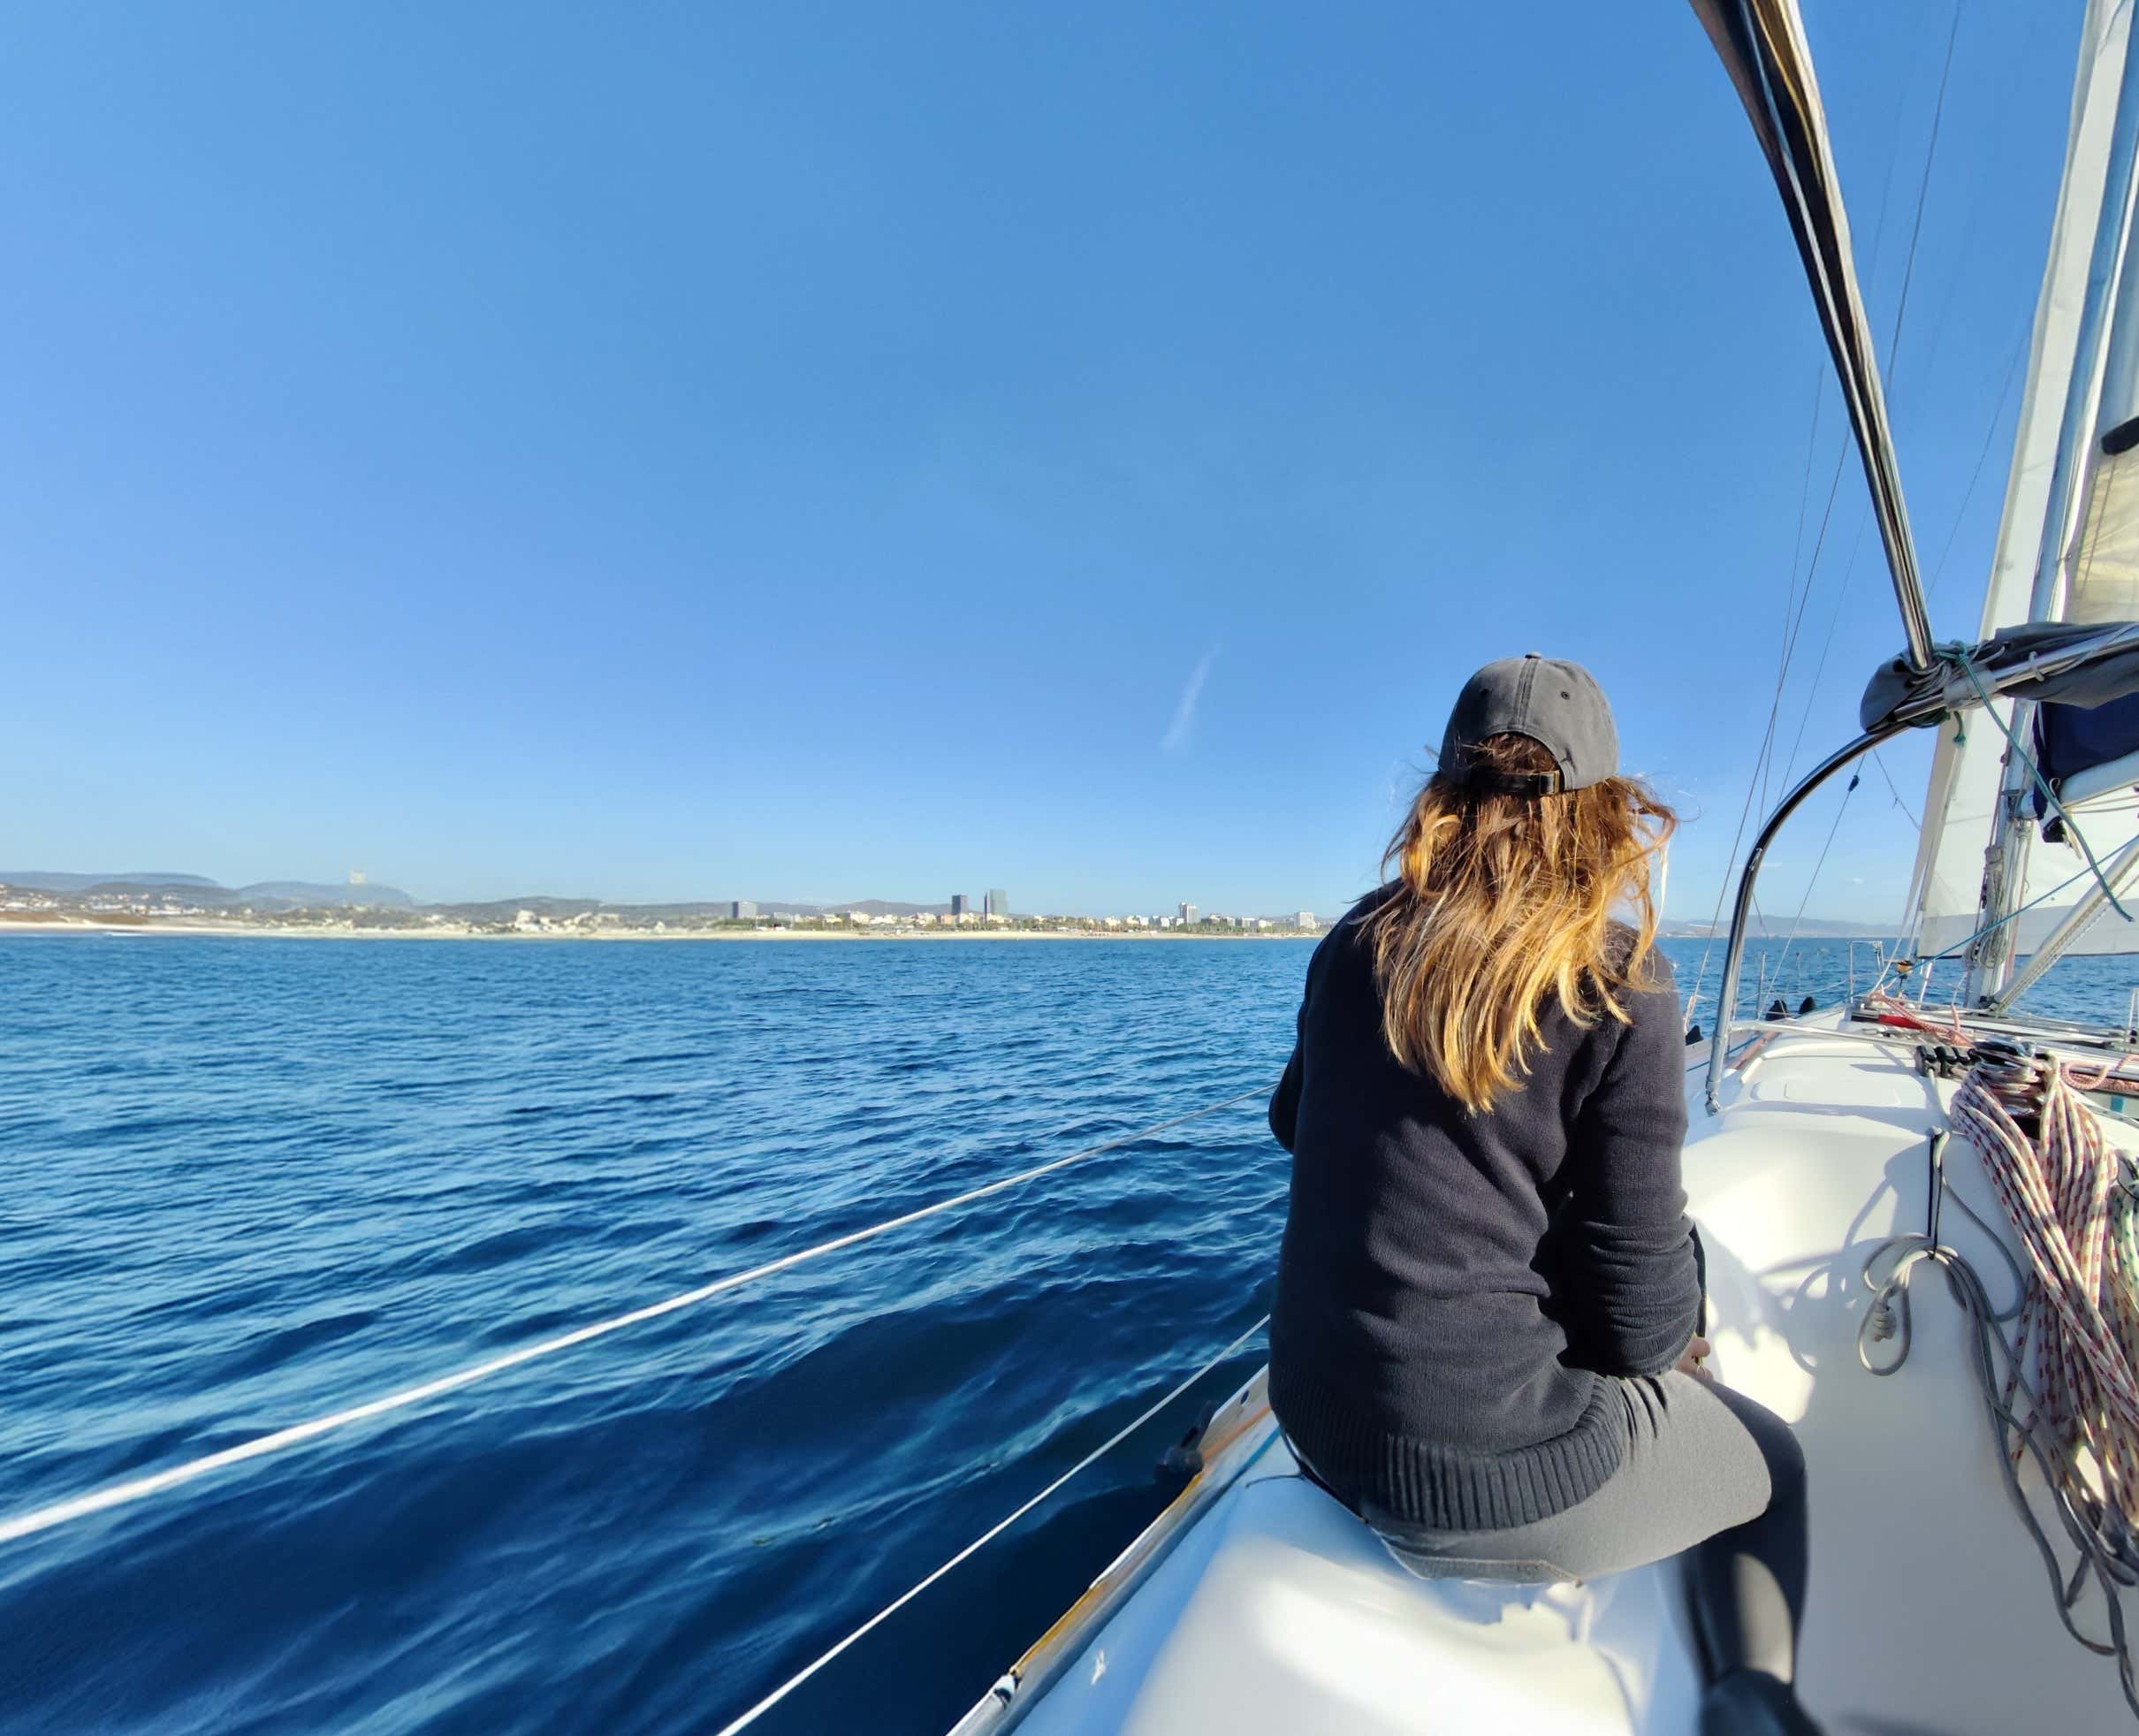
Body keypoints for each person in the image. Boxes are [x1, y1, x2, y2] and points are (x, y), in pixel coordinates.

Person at [1267, 655, 1814, 1736]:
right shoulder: (1617, 981)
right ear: (1606, 812)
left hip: (1315, 1424)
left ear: (1441, 794)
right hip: (1483, 1484)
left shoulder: (1349, 945)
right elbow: (1642, 1329)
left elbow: (1294, 1123)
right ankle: (1749, 1701)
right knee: (1777, 1464)